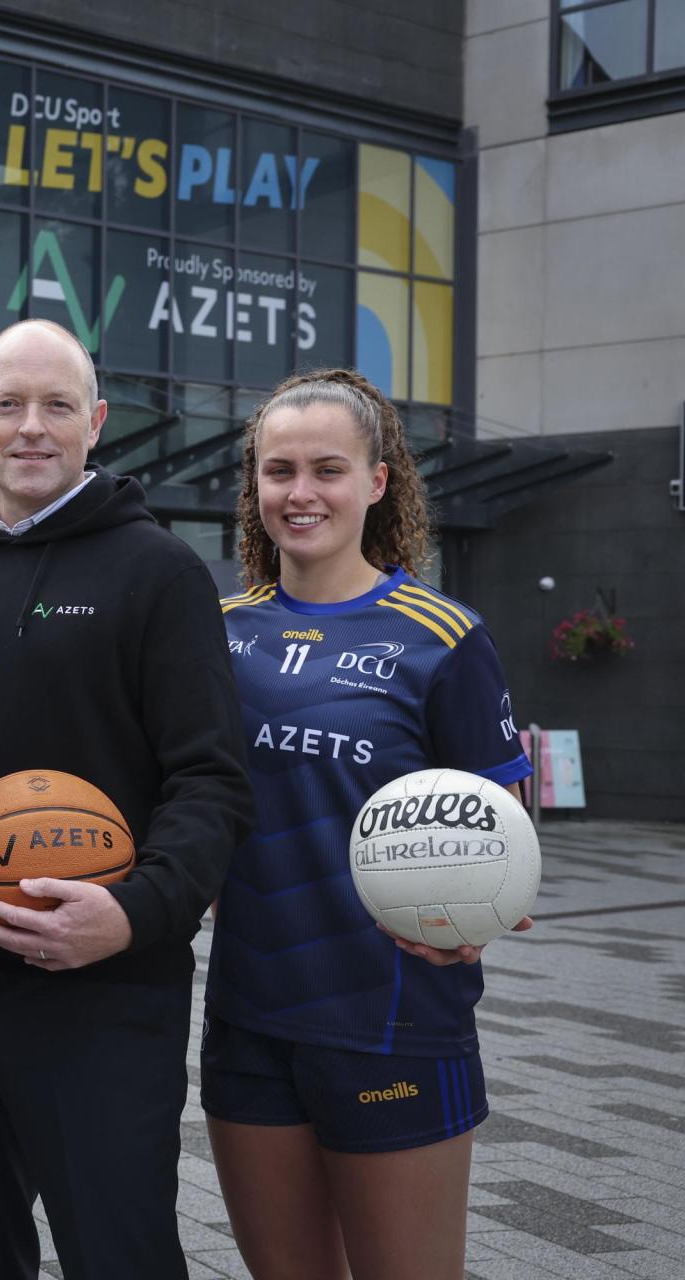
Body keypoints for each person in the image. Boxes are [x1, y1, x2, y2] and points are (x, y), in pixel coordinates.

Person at [0, 319, 253, 1279]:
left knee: (119, 1248)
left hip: (104, 984)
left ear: (95, 423)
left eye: (57, 405)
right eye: (8, 406)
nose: (32, 427)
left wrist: (136, 911)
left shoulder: (160, 573)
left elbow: (210, 777)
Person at [205, 369, 534, 1280]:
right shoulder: (217, 632)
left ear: (378, 481)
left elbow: (501, 822)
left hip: (393, 1020)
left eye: (326, 470)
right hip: (249, 1018)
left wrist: (493, 905)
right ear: (254, 486)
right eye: (278, 472)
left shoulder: (444, 637)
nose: (299, 494)